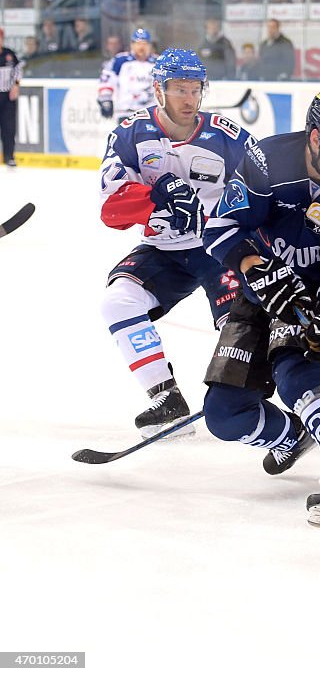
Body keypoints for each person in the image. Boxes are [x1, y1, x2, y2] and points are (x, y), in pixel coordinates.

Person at [201, 87, 320, 525]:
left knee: (298, 376)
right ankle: (294, 434)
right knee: (224, 416)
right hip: (259, 293)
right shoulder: (267, 161)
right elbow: (221, 228)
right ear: (315, 136)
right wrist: (256, 268)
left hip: (309, 300)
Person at [98, 49, 252, 437]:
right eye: (179, 89)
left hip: (220, 248)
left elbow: (267, 188)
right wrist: (155, 196)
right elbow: (110, 208)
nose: (189, 98)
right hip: (164, 250)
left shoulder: (227, 136)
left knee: (243, 328)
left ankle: (266, 408)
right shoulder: (130, 133)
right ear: (159, 90)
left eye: (195, 89)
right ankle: (167, 400)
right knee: (119, 300)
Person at [98, 28, 157, 123]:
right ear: (132, 45)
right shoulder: (120, 60)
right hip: (125, 112)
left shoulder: (157, 62)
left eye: (144, 44)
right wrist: (105, 99)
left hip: (150, 113)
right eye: (138, 44)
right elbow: (106, 79)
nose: (141, 47)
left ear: (150, 46)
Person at [0, 28, 22, 168]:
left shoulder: (9, 54)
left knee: (8, 127)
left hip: (7, 97)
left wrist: (16, 85)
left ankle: (9, 156)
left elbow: (18, 69)